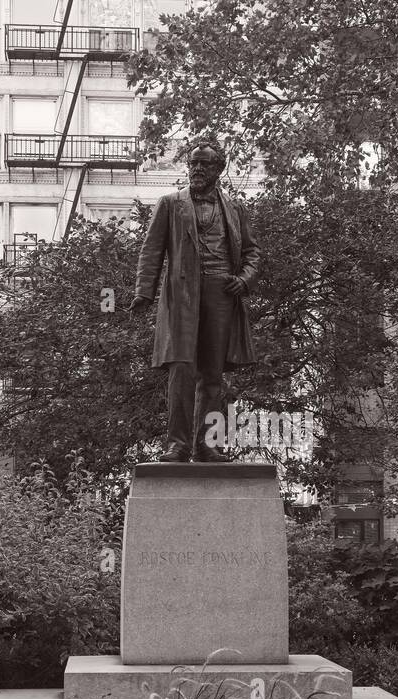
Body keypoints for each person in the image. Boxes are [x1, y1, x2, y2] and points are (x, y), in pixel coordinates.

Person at [131, 140, 262, 462]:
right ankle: (177, 444)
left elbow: (252, 252)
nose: (198, 169)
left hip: (221, 293)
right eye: (193, 164)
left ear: (219, 169)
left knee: (213, 375)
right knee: (182, 370)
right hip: (182, 295)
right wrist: (143, 291)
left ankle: (208, 445)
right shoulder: (170, 204)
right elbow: (151, 251)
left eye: (205, 164)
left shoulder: (235, 209)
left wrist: (244, 279)